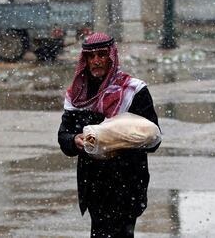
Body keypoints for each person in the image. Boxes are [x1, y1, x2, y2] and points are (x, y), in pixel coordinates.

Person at [58, 32, 160, 238]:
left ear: (111, 57)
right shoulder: (78, 96)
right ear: (85, 60)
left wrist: (118, 139)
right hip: (94, 184)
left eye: (102, 55)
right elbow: (64, 135)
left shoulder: (134, 91)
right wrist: (74, 141)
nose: (96, 61)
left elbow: (153, 138)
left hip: (127, 181)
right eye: (91, 56)